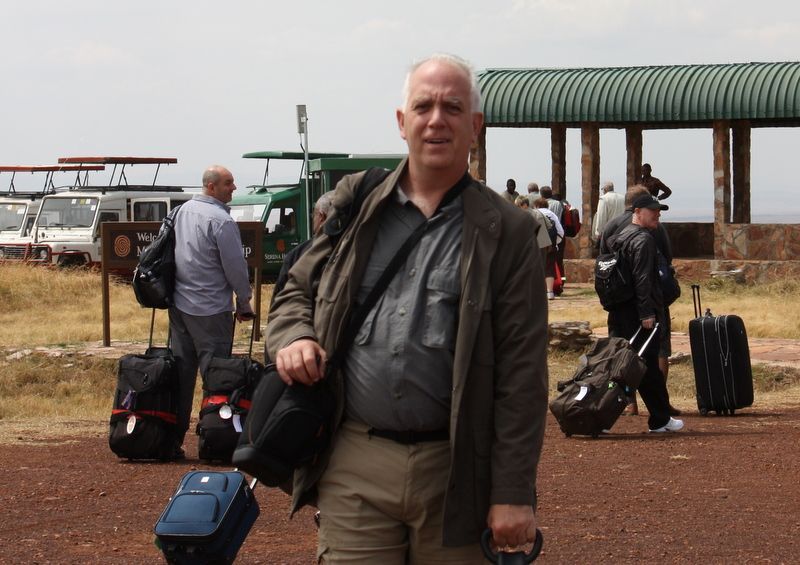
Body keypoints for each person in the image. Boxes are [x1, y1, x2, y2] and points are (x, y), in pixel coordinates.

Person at [267, 53, 548, 563]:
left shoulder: (507, 231)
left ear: (475, 125)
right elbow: (294, 289)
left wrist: (512, 492)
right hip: (354, 460)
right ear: (402, 122)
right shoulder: (356, 204)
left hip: (457, 472)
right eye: (423, 106)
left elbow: (522, 375)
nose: (436, 119)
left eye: (452, 107)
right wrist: (292, 338)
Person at [168, 165, 255, 460]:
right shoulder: (221, 221)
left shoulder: (180, 213)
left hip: (179, 306)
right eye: (228, 183)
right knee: (217, 377)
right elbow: (236, 269)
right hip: (211, 309)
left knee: (181, 374)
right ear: (211, 186)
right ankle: (213, 440)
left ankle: (171, 439)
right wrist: (244, 304)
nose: (234, 187)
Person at [603, 192, 683, 433]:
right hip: (639, 315)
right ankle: (659, 420)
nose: (657, 214)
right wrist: (647, 313)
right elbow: (643, 279)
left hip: (620, 310)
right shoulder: (643, 240)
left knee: (620, 365)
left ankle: (601, 412)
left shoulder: (619, 237)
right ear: (637, 212)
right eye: (652, 211)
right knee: (645, 365)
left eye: (658, 211)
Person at [272, 191, 334, 299]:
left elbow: (279, 300)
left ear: (321, 216)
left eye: (313, 215)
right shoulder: (360, 251)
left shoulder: (298, 255)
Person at [533, 197, 563, 300]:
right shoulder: (551, 214)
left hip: (536, 244)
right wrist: (555, 243)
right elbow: (560, 232)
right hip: (550, 245)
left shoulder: (534, 213)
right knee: (549, 267)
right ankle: (550, 292)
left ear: (536, 205)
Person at [592, 181, 625, 246]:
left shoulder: (603, 199)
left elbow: (601, 217)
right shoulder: (623, 198)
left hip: (609, 233)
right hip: (621, 232)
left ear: (604, 189)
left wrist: (598, 233)